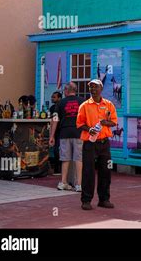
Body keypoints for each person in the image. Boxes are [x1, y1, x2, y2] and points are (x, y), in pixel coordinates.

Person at [76, 79, 118, 210]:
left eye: (95, 87)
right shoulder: (84, 106)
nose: (93, 89)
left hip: (104, 142)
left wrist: (106, 123)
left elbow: (114, 122)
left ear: (101, 88)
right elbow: (79, 124)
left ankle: (104, 199)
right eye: (91, 87)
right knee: (88, 171)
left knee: (105, 171)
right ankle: (86, 200)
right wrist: (89, 129)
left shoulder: (109, 104)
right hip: (89, 143)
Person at [49, 82, 85, 192]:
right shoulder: (82, 102)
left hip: (64, 133)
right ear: (75, 90)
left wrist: (52, 136)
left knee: (65, 158)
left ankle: (63, 182)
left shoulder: (60, 103)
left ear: (66, 91)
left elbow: (55, 120)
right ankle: (78, 184)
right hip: (79, 133)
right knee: (78, 159)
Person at [48, 91, 62, 174]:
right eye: (52, 97)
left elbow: (55, 119)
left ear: (59, 98)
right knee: (56, 149)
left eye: (54, 97)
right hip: (55, 130)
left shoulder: (61, 106)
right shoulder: (52, 107)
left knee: (58, 149)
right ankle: (57, 168)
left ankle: (58, 169)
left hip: (60, 130)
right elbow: (52, 119)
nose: (52, 98)